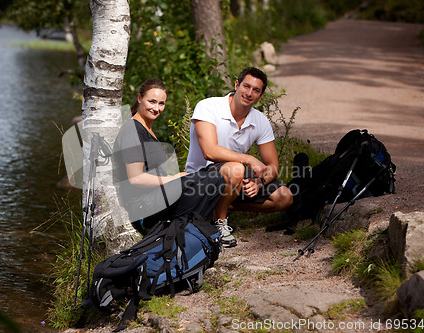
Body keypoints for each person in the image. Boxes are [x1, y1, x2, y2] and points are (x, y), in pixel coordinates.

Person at [185, 67, 293, 247]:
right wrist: (249, 159)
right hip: (200, 179)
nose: (249, 93)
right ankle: (219, 223)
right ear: (237, 85)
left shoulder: (260, 120)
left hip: (233, 181)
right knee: (237, 167)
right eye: (246, 86)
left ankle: (219, 206)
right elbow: (209, 151)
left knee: (285, 196)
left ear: (261, 95)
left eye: (256, 90)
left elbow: (273, 164)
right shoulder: (208, 107)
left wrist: (260, 183)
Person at [112, 78, 225, 233]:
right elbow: (136, 178)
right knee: (206, 180)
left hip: (157, 196)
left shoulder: (147, 129)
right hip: (142, 208)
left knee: (216, 174)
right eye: (151, 101)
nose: (156, 108)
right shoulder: (132, 130)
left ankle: (190, 228)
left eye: (161, 103)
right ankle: (181, 230)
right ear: (139, 98)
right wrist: (173, 179)